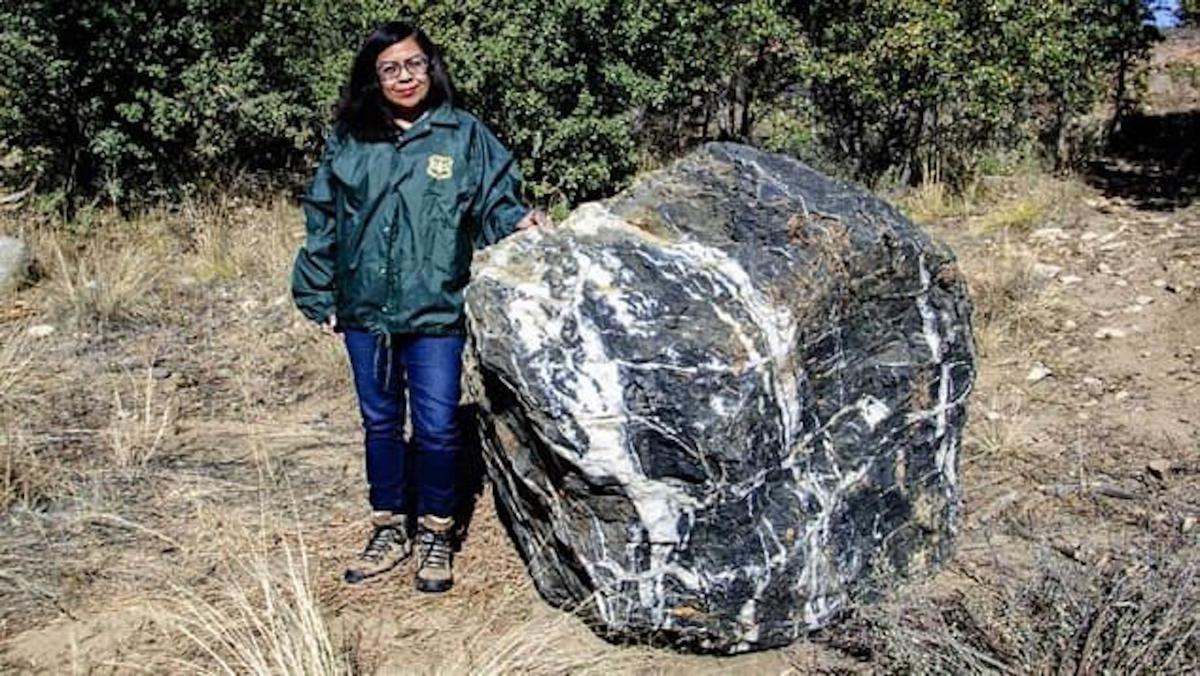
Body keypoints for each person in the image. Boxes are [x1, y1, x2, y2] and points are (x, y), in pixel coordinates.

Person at [291, 20, 548, 593]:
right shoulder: (351, 137)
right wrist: (319, 292)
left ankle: (436, 532)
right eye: (390, 69)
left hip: (435, 312)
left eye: (413, 64)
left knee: (435, 429)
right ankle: (389, 527)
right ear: (373, 79)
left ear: (430, 67)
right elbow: (323, 218)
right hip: (365, 313)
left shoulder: (463, 135)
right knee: (380, 424)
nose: (405, 77)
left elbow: (495, 204)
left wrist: (518, 221)